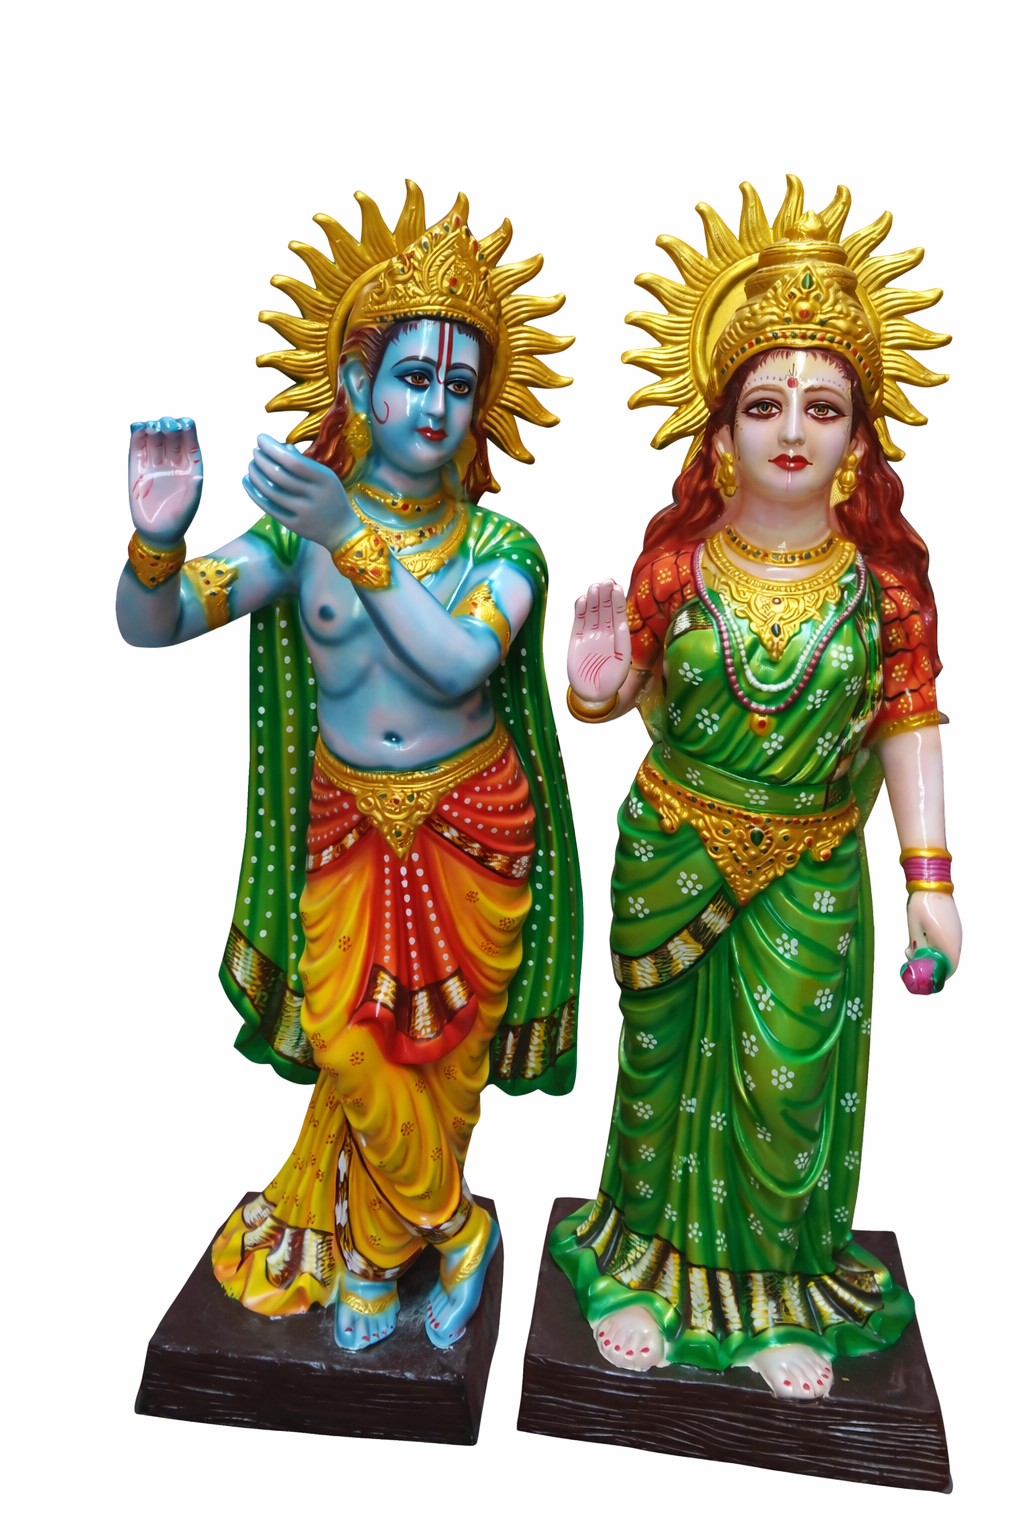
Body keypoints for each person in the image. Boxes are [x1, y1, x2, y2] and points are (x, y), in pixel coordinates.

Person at [117, 184, 581, 1350]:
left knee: (441, 1067)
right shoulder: (295, 539)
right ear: (357, 384)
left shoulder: (502, 549)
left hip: (474, 828)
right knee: (354, 1047)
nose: (435, 405)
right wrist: (157, 540)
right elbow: (155, 626)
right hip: (344, 829)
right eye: (413, 376)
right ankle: (455, 1231)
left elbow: (455, 659)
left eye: (460, 385)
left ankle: (377, 1261)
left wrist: (349, 537)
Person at [552, 177, 959, 1399]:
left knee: (788, 1087)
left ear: (858, 436)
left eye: (821, 407)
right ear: (719, 431)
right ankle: (644, 1270)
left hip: (811, 870)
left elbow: (907, 724)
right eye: (762, 405)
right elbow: (622, 692)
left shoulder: (884, 590)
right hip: (671, 851)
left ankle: (775, 1295)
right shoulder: (675, 566)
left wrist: (930, 879)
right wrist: (596, 684)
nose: (792, 430)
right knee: (659, 1071)